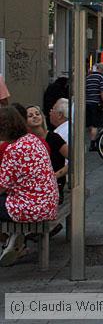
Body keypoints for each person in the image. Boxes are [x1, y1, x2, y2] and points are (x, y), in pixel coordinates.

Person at [0, 106, 59, 266]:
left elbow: (1, 185)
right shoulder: (32, 140)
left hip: (30, 208)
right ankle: (13, 240)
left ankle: (9, 240)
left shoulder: (13, 150)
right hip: (47, 203)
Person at [25, 106, 67, 199]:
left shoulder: (54, 138)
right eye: (30, 115)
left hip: (54, 185)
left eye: (37, 114)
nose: (35, 117)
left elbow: (73, 159)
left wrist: (56, 175)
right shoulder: (25, 142)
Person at [85, 63, 103, 151]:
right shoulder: (102, 78)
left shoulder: (88, 78)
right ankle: (93, 144)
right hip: (96, 104)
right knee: (96, 125)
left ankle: (96, 142)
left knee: (91, 125)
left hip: (87, 103)